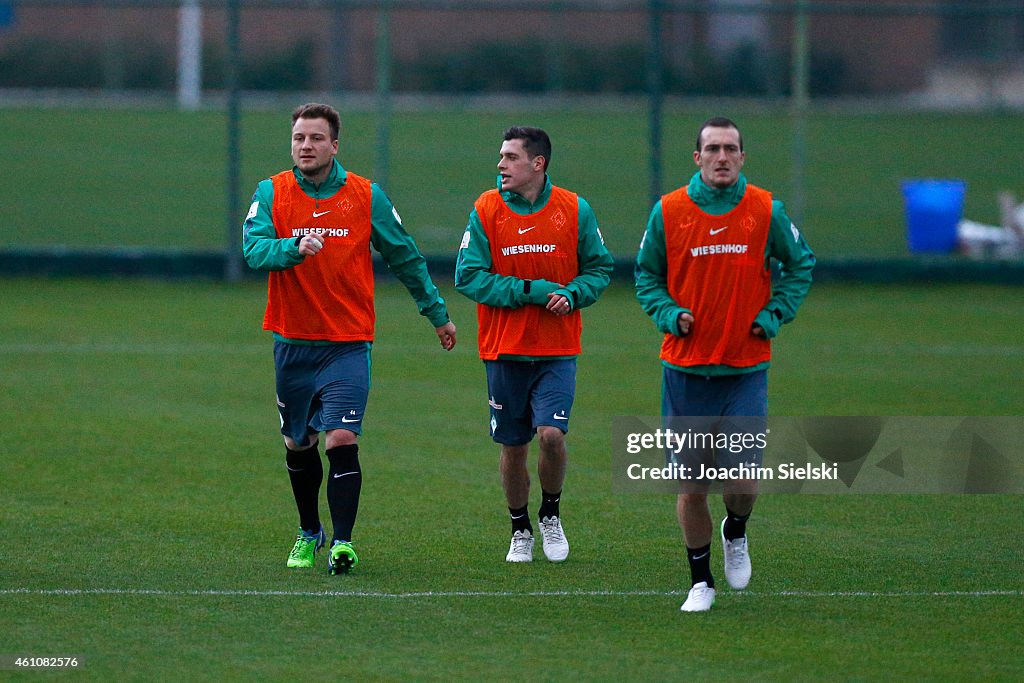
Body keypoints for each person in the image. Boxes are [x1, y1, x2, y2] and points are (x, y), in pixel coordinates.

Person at [243, 102, 457, 575]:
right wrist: (292, 247)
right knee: (299, 444)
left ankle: (343, 542)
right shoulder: (271, 192)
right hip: (293, 344)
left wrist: (436, 314)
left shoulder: (365, 195)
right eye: (299, 137)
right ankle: (308, 531)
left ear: (334, 145)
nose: (306, 146)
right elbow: (253, 250)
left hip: (348, 343)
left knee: (341, 437)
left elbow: (405, 256)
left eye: (316, 138)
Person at [635, 116, 815, 611]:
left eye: (730, 148)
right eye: (712, 148)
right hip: (686, 371)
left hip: (745, 370)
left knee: (742, 478)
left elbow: (801, 264)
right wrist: (669, 313)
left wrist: (775, 313)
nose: (721, 156)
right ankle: (700, 580)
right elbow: (646, 277)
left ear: (742, 157)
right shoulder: (669, 211)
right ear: (697, 158)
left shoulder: (764, 209)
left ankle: (735, 530)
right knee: (691, 485)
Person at [456, 126, 613, 564]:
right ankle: (519, 527)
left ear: (537, 164)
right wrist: (531, 290)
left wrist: (573, 294)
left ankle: (550, 514)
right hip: (504, 349)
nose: (501, 165)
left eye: (510, 157)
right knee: (513, 446)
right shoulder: (487, 209)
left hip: (557, 350)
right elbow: (468, 276)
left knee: (551, 435)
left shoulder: (574, 209)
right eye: (501, 156)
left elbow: (599, 269)